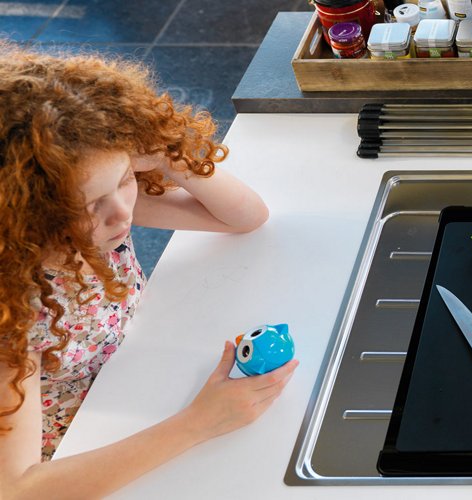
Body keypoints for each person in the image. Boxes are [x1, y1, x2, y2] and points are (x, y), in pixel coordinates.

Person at [0, 45, 297, 498]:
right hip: (77, 452)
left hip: (128, 379)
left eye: (124, 180)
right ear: (28, 218)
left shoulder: (93, 212)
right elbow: (19, 489)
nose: (123, 213)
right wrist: (197, 424)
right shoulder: (13, 315)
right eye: (93, 204)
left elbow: (245, 217)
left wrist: (165, 157)